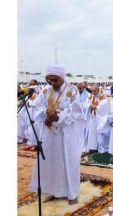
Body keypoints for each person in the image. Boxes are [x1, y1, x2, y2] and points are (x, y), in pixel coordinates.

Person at [29, 66, 86, 205]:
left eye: (55, 80)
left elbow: (76, 111)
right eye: (50, 80)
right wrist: (46, 115)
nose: (53, 82)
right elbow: (37, 107)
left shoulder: (72, 90)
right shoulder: (45, 91)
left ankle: (72, 194)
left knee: (68, 162)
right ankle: (54, 191)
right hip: (49, 134)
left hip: (66, 134)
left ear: (62, 77)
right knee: (51, 162)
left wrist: (58, 117)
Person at [84, 85, 111, 153]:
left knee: (100, 132)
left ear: (98, 90)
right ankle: (93, 147)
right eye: (92, 91)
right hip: (92, 117)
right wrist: (89, 106)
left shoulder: (103, 96)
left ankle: (101, 147)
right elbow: (86, 104)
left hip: (100, 117)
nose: (93, 92)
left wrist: (96, 107)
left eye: (94, 91)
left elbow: (104, 106)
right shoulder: (91, 96)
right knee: (92, 132)